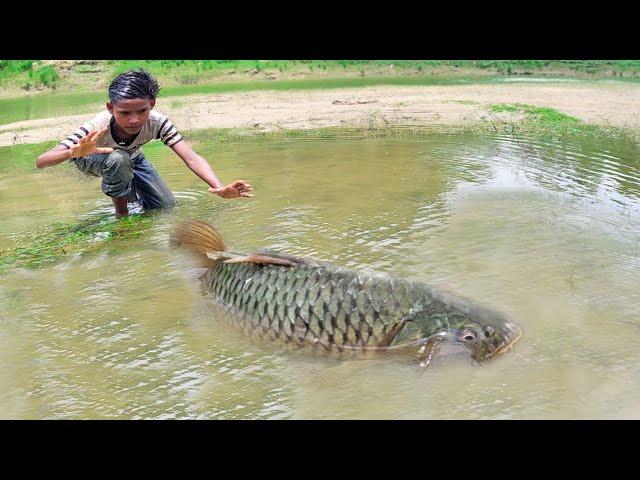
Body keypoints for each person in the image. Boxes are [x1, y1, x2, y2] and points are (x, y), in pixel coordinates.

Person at [36, 68, 253, 218]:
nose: (134, 120)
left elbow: (191, 157)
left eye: (142, 111)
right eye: (124, 113)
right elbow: (42, 161)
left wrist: (219, 187)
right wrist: (73, 153)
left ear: (152, 104)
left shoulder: (158, 122)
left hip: (132, 156)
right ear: (110, 108)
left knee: (165, 208)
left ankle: (131, 195)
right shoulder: (97, 126)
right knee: (118, 159)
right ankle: (122, 216)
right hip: (90, 156)